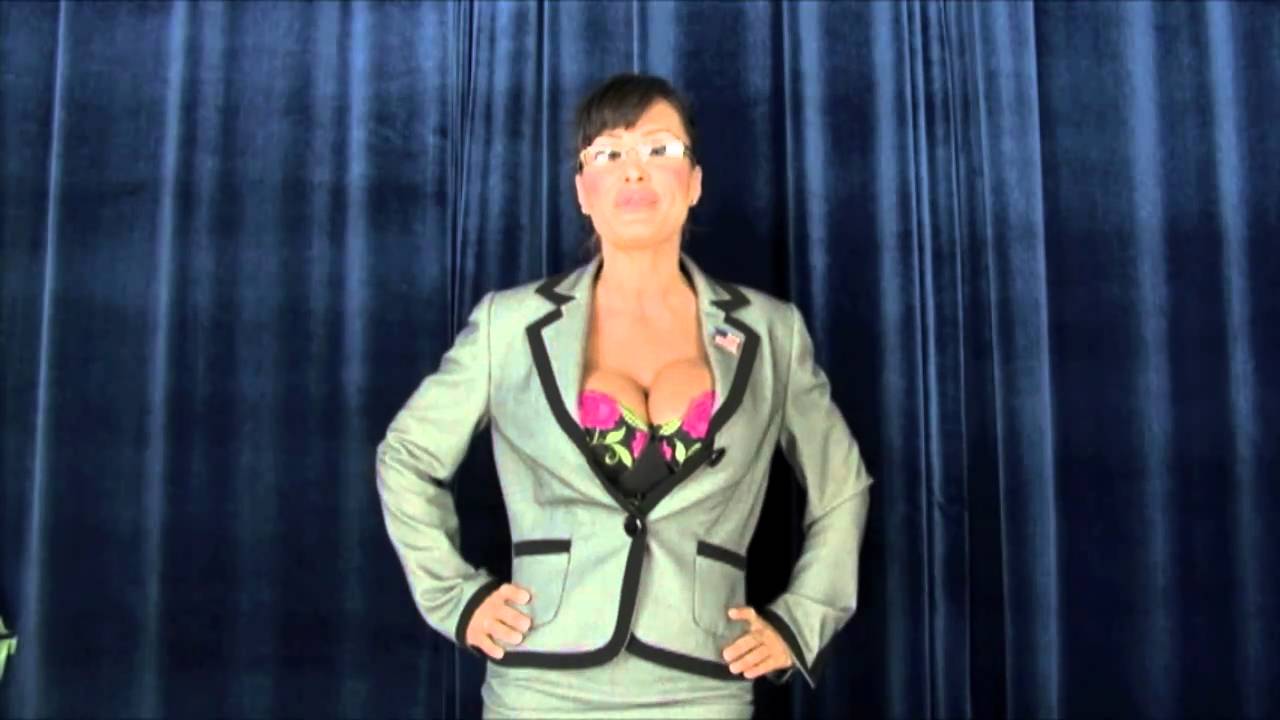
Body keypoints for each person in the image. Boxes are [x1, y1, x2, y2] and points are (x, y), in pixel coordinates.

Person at [375, 73, 873, 719]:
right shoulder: (509, 325)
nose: (634, 170)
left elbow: (842, 486)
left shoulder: (773, 332)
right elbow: (407, 456)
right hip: (539, 687)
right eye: (609, 153)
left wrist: (801, 621)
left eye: (660, 149)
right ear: (583, 190)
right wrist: (457, 599)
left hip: (704, 685)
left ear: (694, 182)